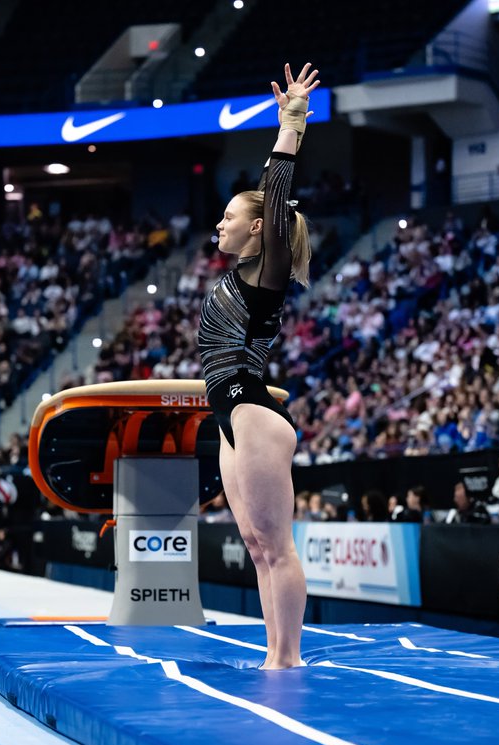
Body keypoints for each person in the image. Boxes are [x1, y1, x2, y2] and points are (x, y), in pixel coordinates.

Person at [197, 62, 319, 670]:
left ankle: (287, 658)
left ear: (257, 229)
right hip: (229, 413)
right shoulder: (237, 275)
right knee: (255, 546)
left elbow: (277, 199)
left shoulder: (264, 271)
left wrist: (289, 124)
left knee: (276, 544)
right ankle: (275, 653)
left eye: (229, 217)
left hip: (251, 408)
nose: (219, 223)